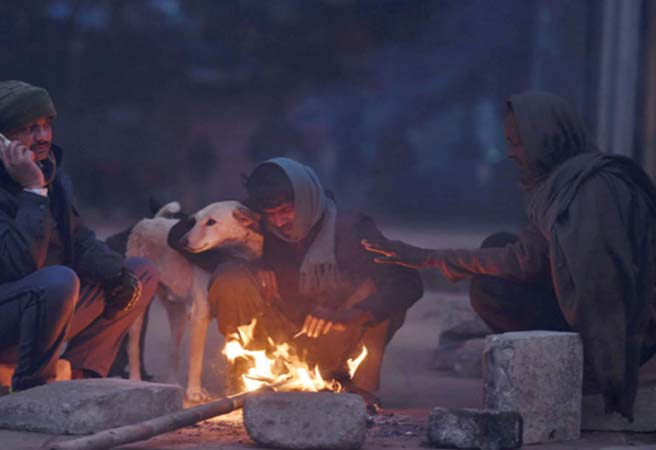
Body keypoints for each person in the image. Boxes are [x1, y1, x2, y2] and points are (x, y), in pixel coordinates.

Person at [363, 91, 656, 419]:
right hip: (585, 311)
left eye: (518, 142)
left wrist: (609, 362)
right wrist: (426, 257)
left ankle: (571, 372)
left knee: (488, 289)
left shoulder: (590, 191)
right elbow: (523, 258)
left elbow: (599, 287)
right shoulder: (559, 186)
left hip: (621, 333)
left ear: (548, 137)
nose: (511, 153)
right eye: (509, 141)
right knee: (496, 244)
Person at [0, 80, 159, 391]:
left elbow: (76, 240)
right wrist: (33, 191)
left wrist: (116, 276)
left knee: (140, 273)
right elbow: (18, 264)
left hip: (39, 312)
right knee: (59, 280)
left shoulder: (46, 170)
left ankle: (80, 379)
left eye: (46, 124)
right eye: (28, 128)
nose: (42, 137)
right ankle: (33, 388)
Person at [208, 157, 423, 399]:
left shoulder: (350, 228)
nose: (278, 222)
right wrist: (251, 261)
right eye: (271, 215)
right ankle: (247, 376)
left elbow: (407, 281)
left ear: (305, 200)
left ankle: (357, 389)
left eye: (285, 211)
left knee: (377, 290)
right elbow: (181, 238)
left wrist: (350, 315)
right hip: (276, 338)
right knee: (231, 276)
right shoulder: (254, 220)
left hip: (334, 339)